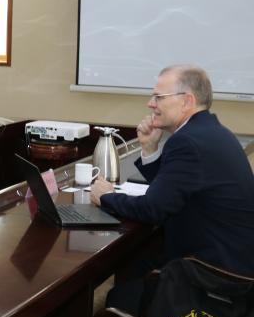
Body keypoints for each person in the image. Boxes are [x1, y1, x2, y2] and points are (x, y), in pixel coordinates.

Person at [90, 65, 254, 281]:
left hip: (215, 272)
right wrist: (150, 149)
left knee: (129, 279)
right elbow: (171, 192)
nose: (151, 104)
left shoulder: (187, 141)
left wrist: (105, 196)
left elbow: (153, 209)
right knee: (135, 264)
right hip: (231, 259)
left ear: (186, 101)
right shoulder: (211, 131)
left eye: (159, 97)